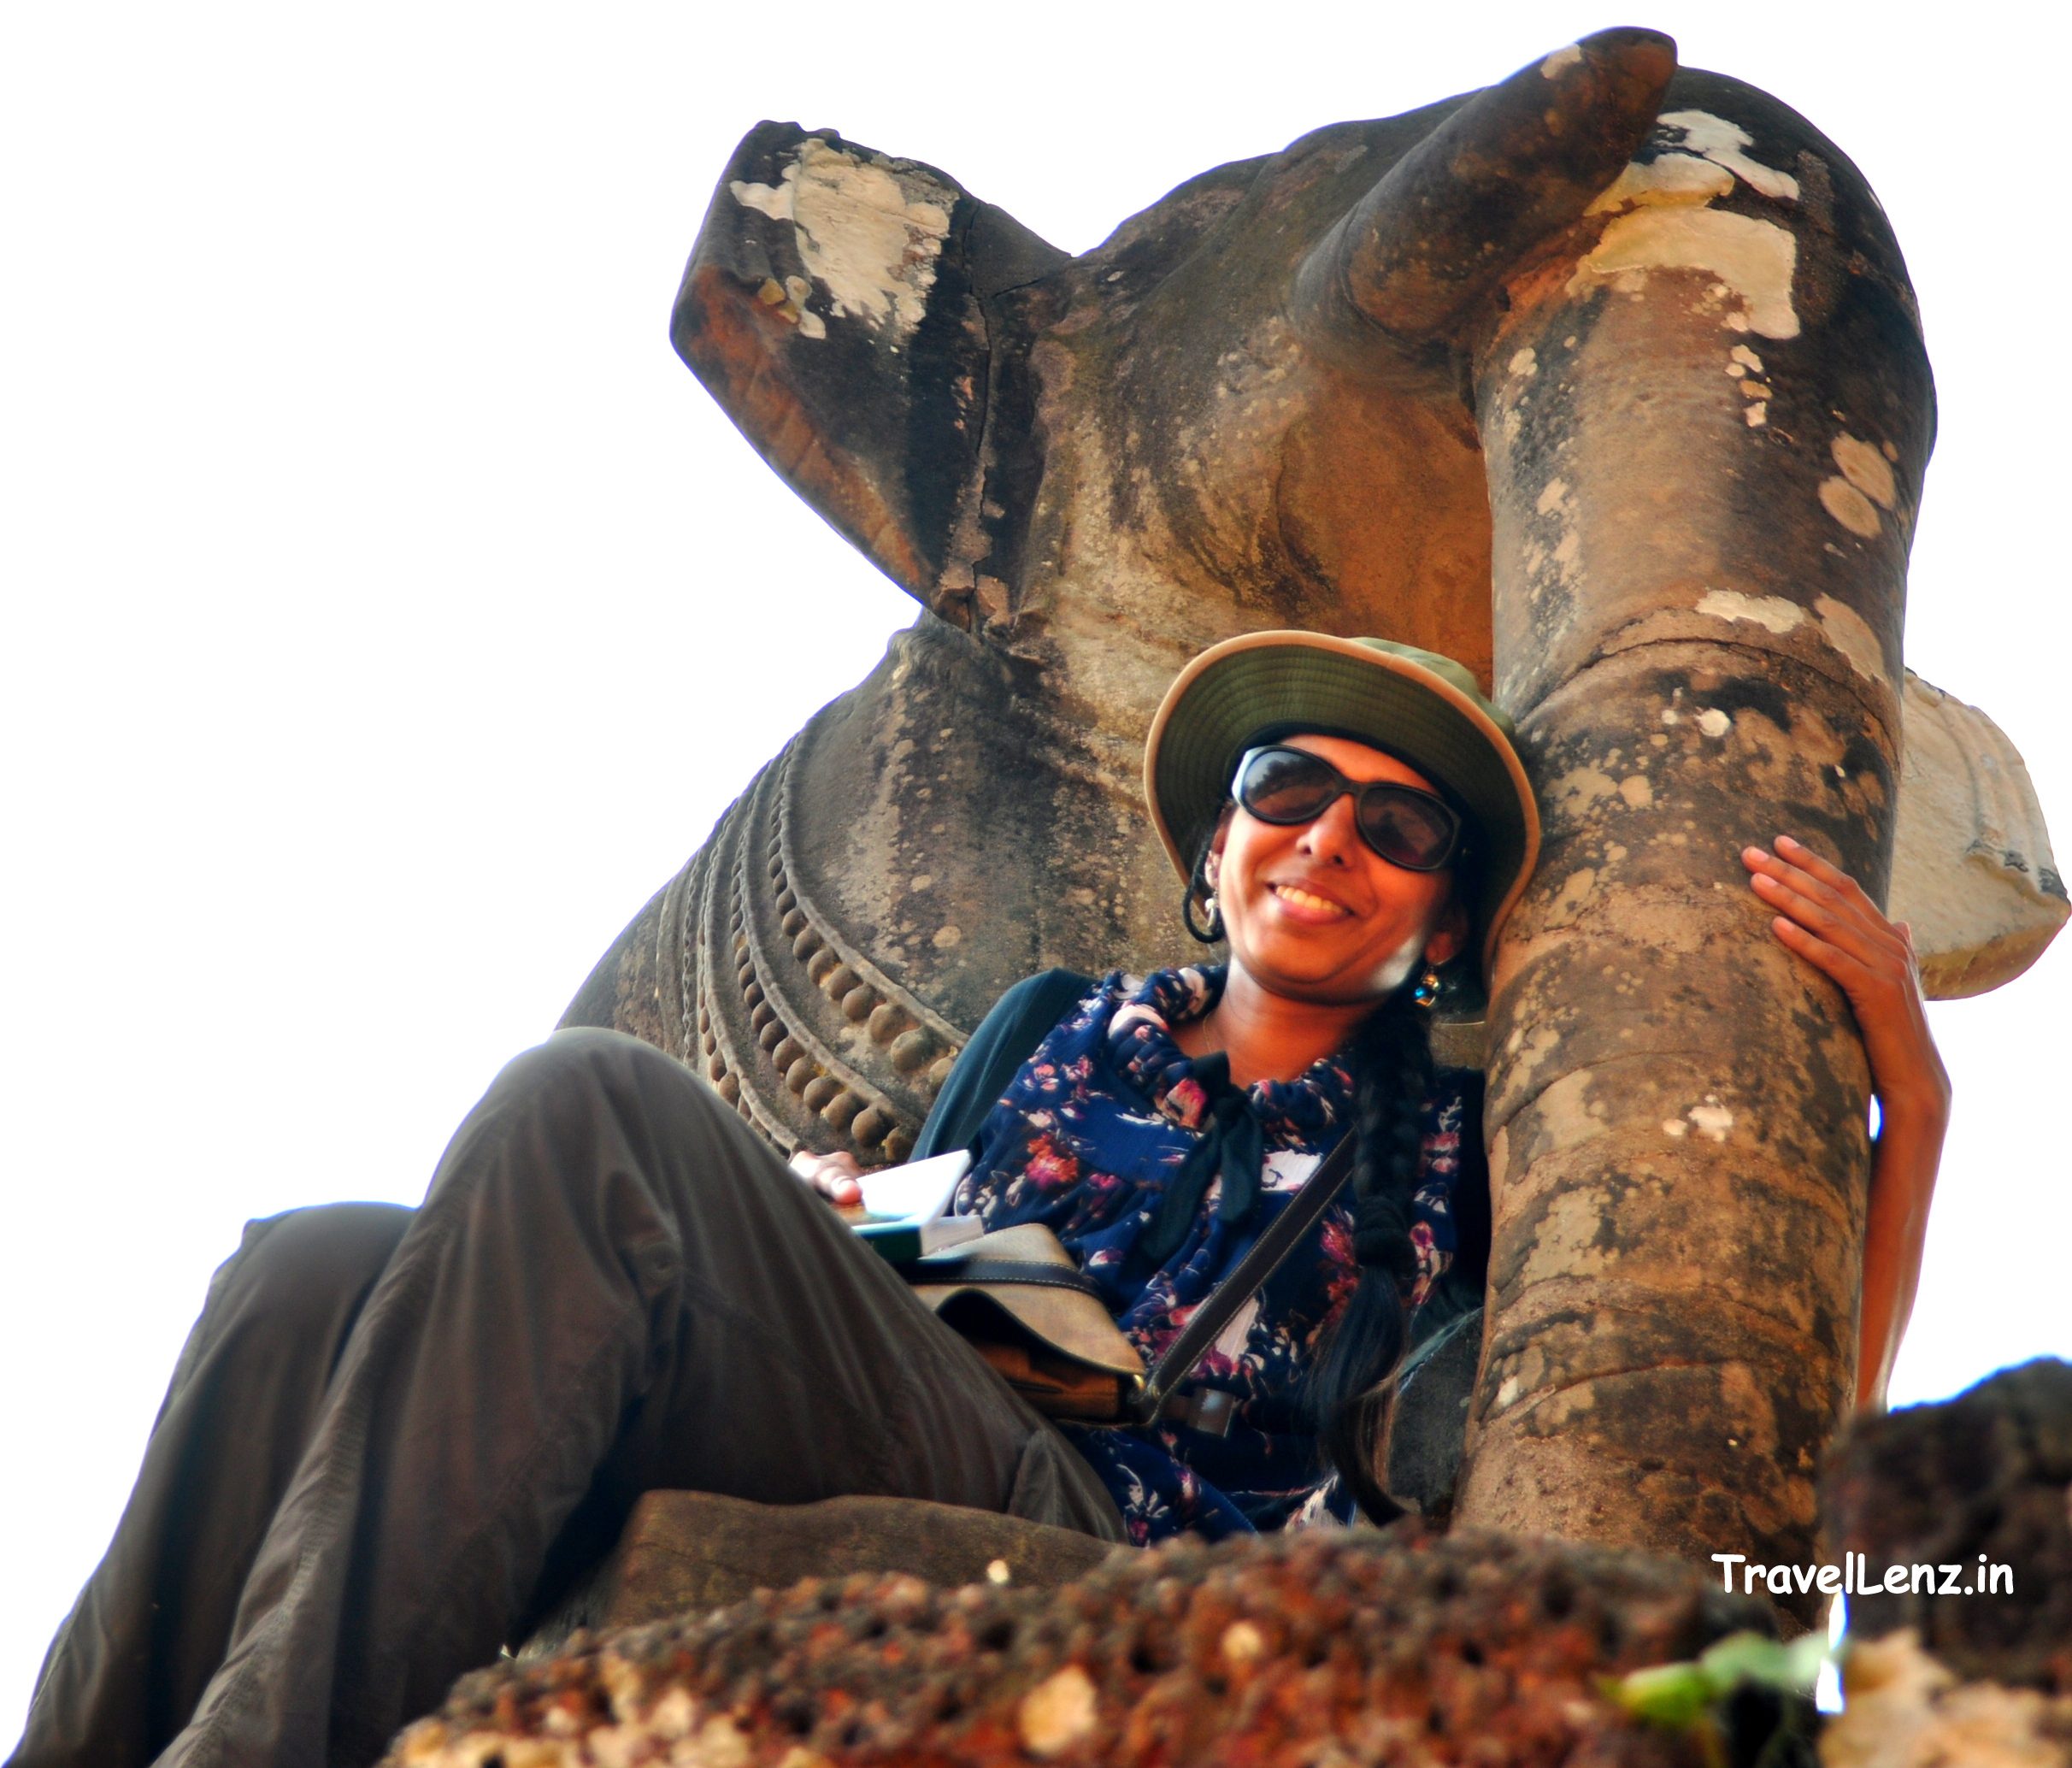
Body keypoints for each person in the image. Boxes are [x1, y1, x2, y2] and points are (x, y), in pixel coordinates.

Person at [9, 633, 1947, 1768]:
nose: (1328, 840)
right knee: (309, 1267)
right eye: (1289, 790)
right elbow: (905, 1278)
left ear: (1445, 918)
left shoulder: (1458, 1131)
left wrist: (1911, 1094)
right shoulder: (1054, 1022)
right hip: (934, 1396)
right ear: (1219, 845)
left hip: (1120, 1525)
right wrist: (841, 1219)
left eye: (1397, 825)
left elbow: (1760, 1413)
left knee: (588, 1104)